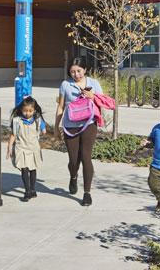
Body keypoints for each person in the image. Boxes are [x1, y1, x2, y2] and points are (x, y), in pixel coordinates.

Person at [55, 56, 102, 206]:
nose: (76, 74)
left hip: (89, 124)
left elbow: (102, 101)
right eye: (72, 72)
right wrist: (57, 126)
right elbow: (61, 106)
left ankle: (87, 193)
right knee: (73, 160)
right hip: (71, 125)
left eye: (79, 71)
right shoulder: (65, 84)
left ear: (85, 70)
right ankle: (73, 176)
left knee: (86, 157)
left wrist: (92, 96)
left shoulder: (94, 83)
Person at [7, 96, 46, 201]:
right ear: (21, 110)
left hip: (33, 148)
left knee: (33, 169)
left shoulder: (37, 120)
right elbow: (13, 135)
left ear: (34, 110)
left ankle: (33, 189)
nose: (27, 113)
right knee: (24, 169)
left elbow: (44, 130)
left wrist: (43, 127)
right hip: (21, 147)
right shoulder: (17, 121)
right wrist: (9, 147)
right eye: (25, 111)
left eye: (30, 111)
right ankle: (27, 190)